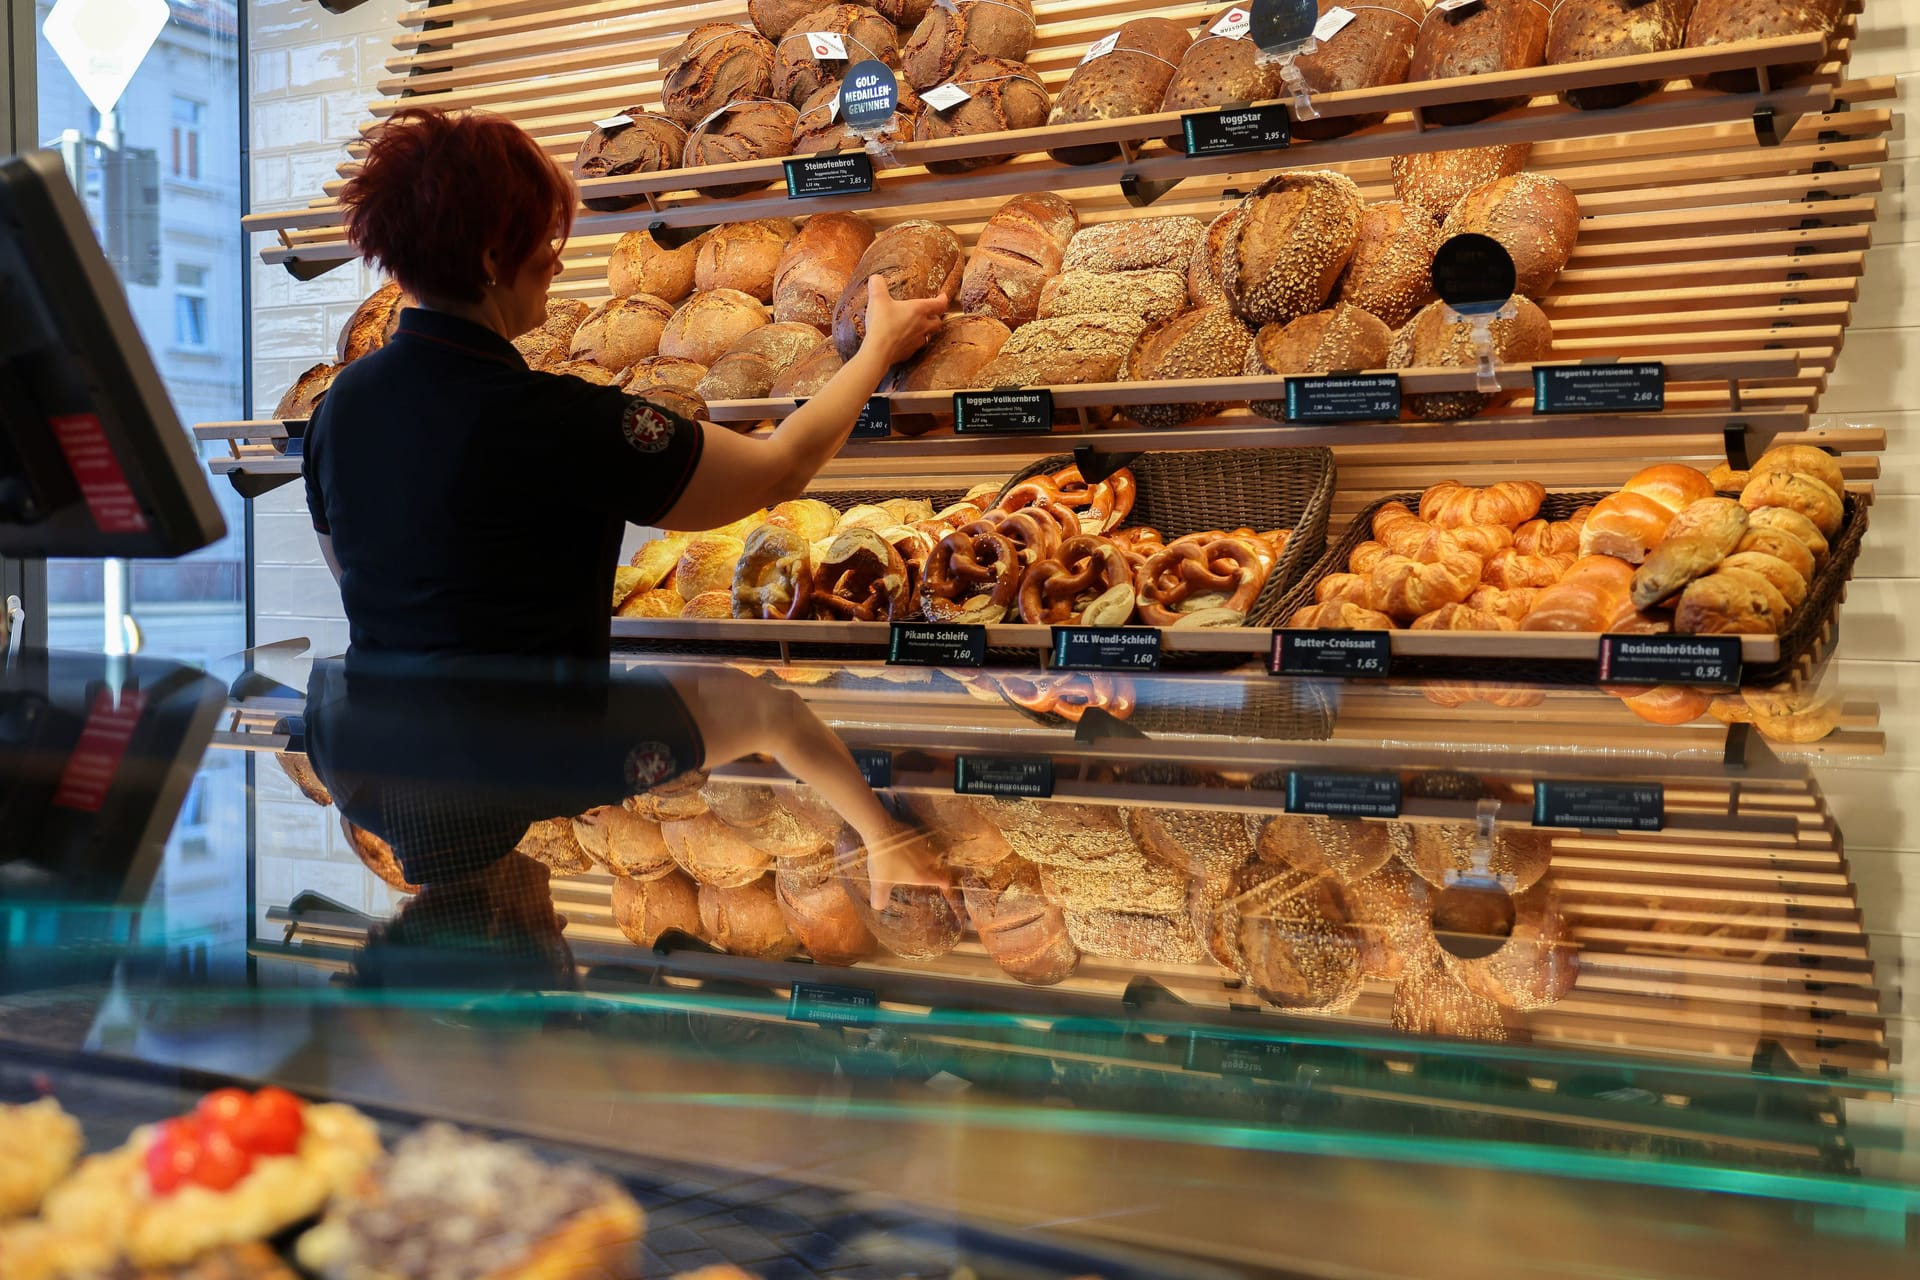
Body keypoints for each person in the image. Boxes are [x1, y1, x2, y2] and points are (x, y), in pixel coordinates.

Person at [303, 108, 945, 663]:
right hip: (525, 771)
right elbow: (777, 470)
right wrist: (877, 351)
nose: (556, 262)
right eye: (544, 240)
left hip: (378, 762)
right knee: (760, 716)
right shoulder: (559, 421)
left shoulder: (337, 411)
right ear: (493, 260)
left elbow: (360, 588)